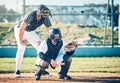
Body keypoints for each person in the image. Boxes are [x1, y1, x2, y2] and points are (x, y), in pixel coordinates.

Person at [14, 4, 52, 77]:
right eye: (43, 13)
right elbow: (21, 29)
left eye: (46, 13)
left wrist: (46, 43)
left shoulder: (45, 17)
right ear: (38, 12)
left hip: (30, 31)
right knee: (21, 48)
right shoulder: (31, 15)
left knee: (41, 47)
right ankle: (17, 70)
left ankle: (40, 69)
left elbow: (50, 31)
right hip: (20, 29)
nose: (45, 15)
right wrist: (20, 41)